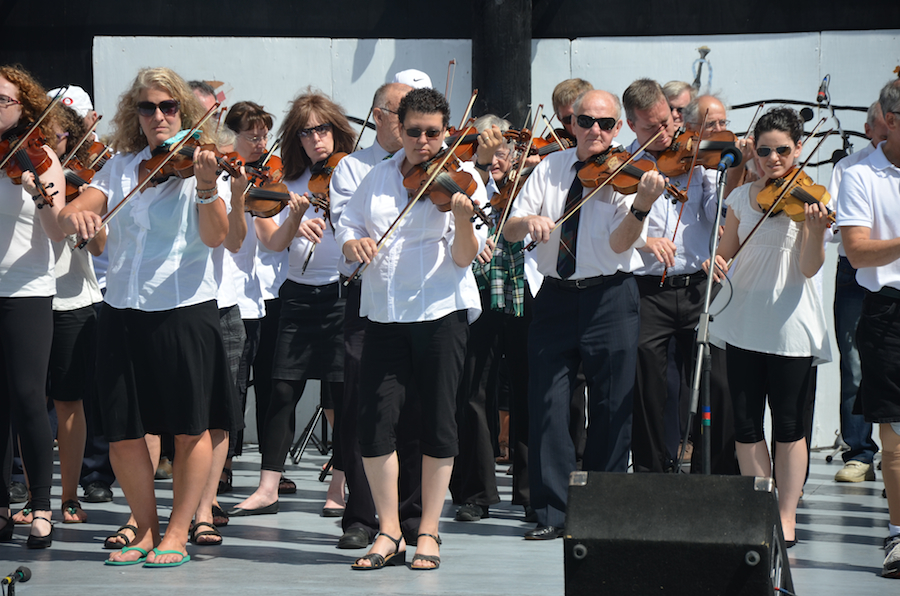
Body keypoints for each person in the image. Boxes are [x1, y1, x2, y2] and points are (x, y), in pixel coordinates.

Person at [60, 66, 237, 566]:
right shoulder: (120, 166)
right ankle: (146, 526)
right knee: (121, 430)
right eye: (147, 107)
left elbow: (216, 237)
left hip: (183, 310)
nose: (158, 116)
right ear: (133, 115)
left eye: (168, 107)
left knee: (189, 428)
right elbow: (85, 203)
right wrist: (82, 213)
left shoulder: (200, 163)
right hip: (122, 309)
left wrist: (205, 187)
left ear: (182, 109)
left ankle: (178, 532)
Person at [504, 89, 666, 539]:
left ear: (620, 128)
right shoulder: (550, 169)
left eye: (607, 123)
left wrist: (641, 206)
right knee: (548, 405)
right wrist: (529, 224)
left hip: (610, 297)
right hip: (555, 295)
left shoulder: (632, 176)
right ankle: (551, 513)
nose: (597, 130)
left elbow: (620, 245)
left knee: (613, 406)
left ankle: (602, 511)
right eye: (587, 121)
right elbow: (512, 225)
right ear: (571, 123)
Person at [337, 86, 487, 569]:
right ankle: (388, 530)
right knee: (376, 424)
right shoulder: (375, 178)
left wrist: (463, 222)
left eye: (434, 133)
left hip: (441, 314)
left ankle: (428, 531)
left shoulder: (466, 182)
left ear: (446, 133)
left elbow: (464, 257)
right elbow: (348, 224)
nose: (424, 142)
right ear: (398, 129)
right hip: (383, 314)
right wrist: (352, 244)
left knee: (440, 422)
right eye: (415, 132)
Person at [704, 107, 832, 547]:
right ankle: (761, 507)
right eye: (763, 151)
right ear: (753, 152)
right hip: (743, 319)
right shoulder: (742, 197)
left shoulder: (810, 200)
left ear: (798, 149)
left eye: (782, 150)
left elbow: (810, 268)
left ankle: (786, 513)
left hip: (790, 322)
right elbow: (727, 251)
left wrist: (814, 232)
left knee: (790, 422)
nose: (772, 159)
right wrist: (716, 261)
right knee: (745, 421)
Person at [228, 89, 353, 518]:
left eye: (322, 129)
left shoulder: (352, 176)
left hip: (341, 292)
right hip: (296, 294)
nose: (316, 139)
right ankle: (268, 486)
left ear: (336, 130)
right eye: (306, 132)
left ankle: (339, 483)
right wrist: (296, 220)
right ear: (295, 140)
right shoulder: (284, 185)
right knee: (281, 389)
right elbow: (271, 242)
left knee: (340, 392)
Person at [623, 81, 738, 475]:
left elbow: (714, 211)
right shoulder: (623, 166)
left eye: (667, 122)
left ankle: (716, 471)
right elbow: (613, 225)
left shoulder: (694, 160)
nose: (664, 133)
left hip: (696, 286)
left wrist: (730, 172)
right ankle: (653, 472)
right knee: (648, 386)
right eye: (651, 127)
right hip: (647, 289)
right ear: (631, 123)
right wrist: (643, 239)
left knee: (717, 381)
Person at [329, 81, 424, 550]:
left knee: (415, 411)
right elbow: (345, 227)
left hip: (421, 304)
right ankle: (362, 516)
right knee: (365, 408)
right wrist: (352, 242)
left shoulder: (437, 164)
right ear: (380, 115)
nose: (411, 124)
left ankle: (409, 517)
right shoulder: (354, 168)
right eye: (400, 112)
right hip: (371, 301)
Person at [0, 63, 67, 548]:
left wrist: (42, 199)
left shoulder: (40, 157)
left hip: (26, 290)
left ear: (23, 107)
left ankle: (41, 505)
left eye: (3, 100)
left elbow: (57, 231)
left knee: (27, 398)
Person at [836, 79, 900, 578]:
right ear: (892, 121)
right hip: (889, 309)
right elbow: (857, 250)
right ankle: (899, 536)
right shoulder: (859, 172)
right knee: (896, 436)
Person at [827, 100, 889, 483]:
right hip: (855, 268)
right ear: (868, 130)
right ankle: (860, 452)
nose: (889, 134)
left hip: (893, 272)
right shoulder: (848, 169)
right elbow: (836, 225)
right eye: (883, 128)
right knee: (853, 363)